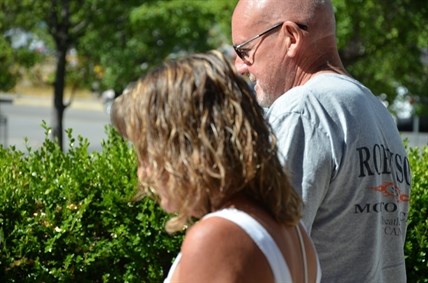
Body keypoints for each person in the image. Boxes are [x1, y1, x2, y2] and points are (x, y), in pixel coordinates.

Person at [231, 0, 411, 282]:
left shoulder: (302, 110)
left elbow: (266, 252)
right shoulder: (377, 111)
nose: (240, 66)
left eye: (245, 50)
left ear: (290, 37)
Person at [110, 50, 321, 283]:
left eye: (146, 153)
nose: (143, 172)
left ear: (185, 148)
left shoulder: (217, 237)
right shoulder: (295, 233)